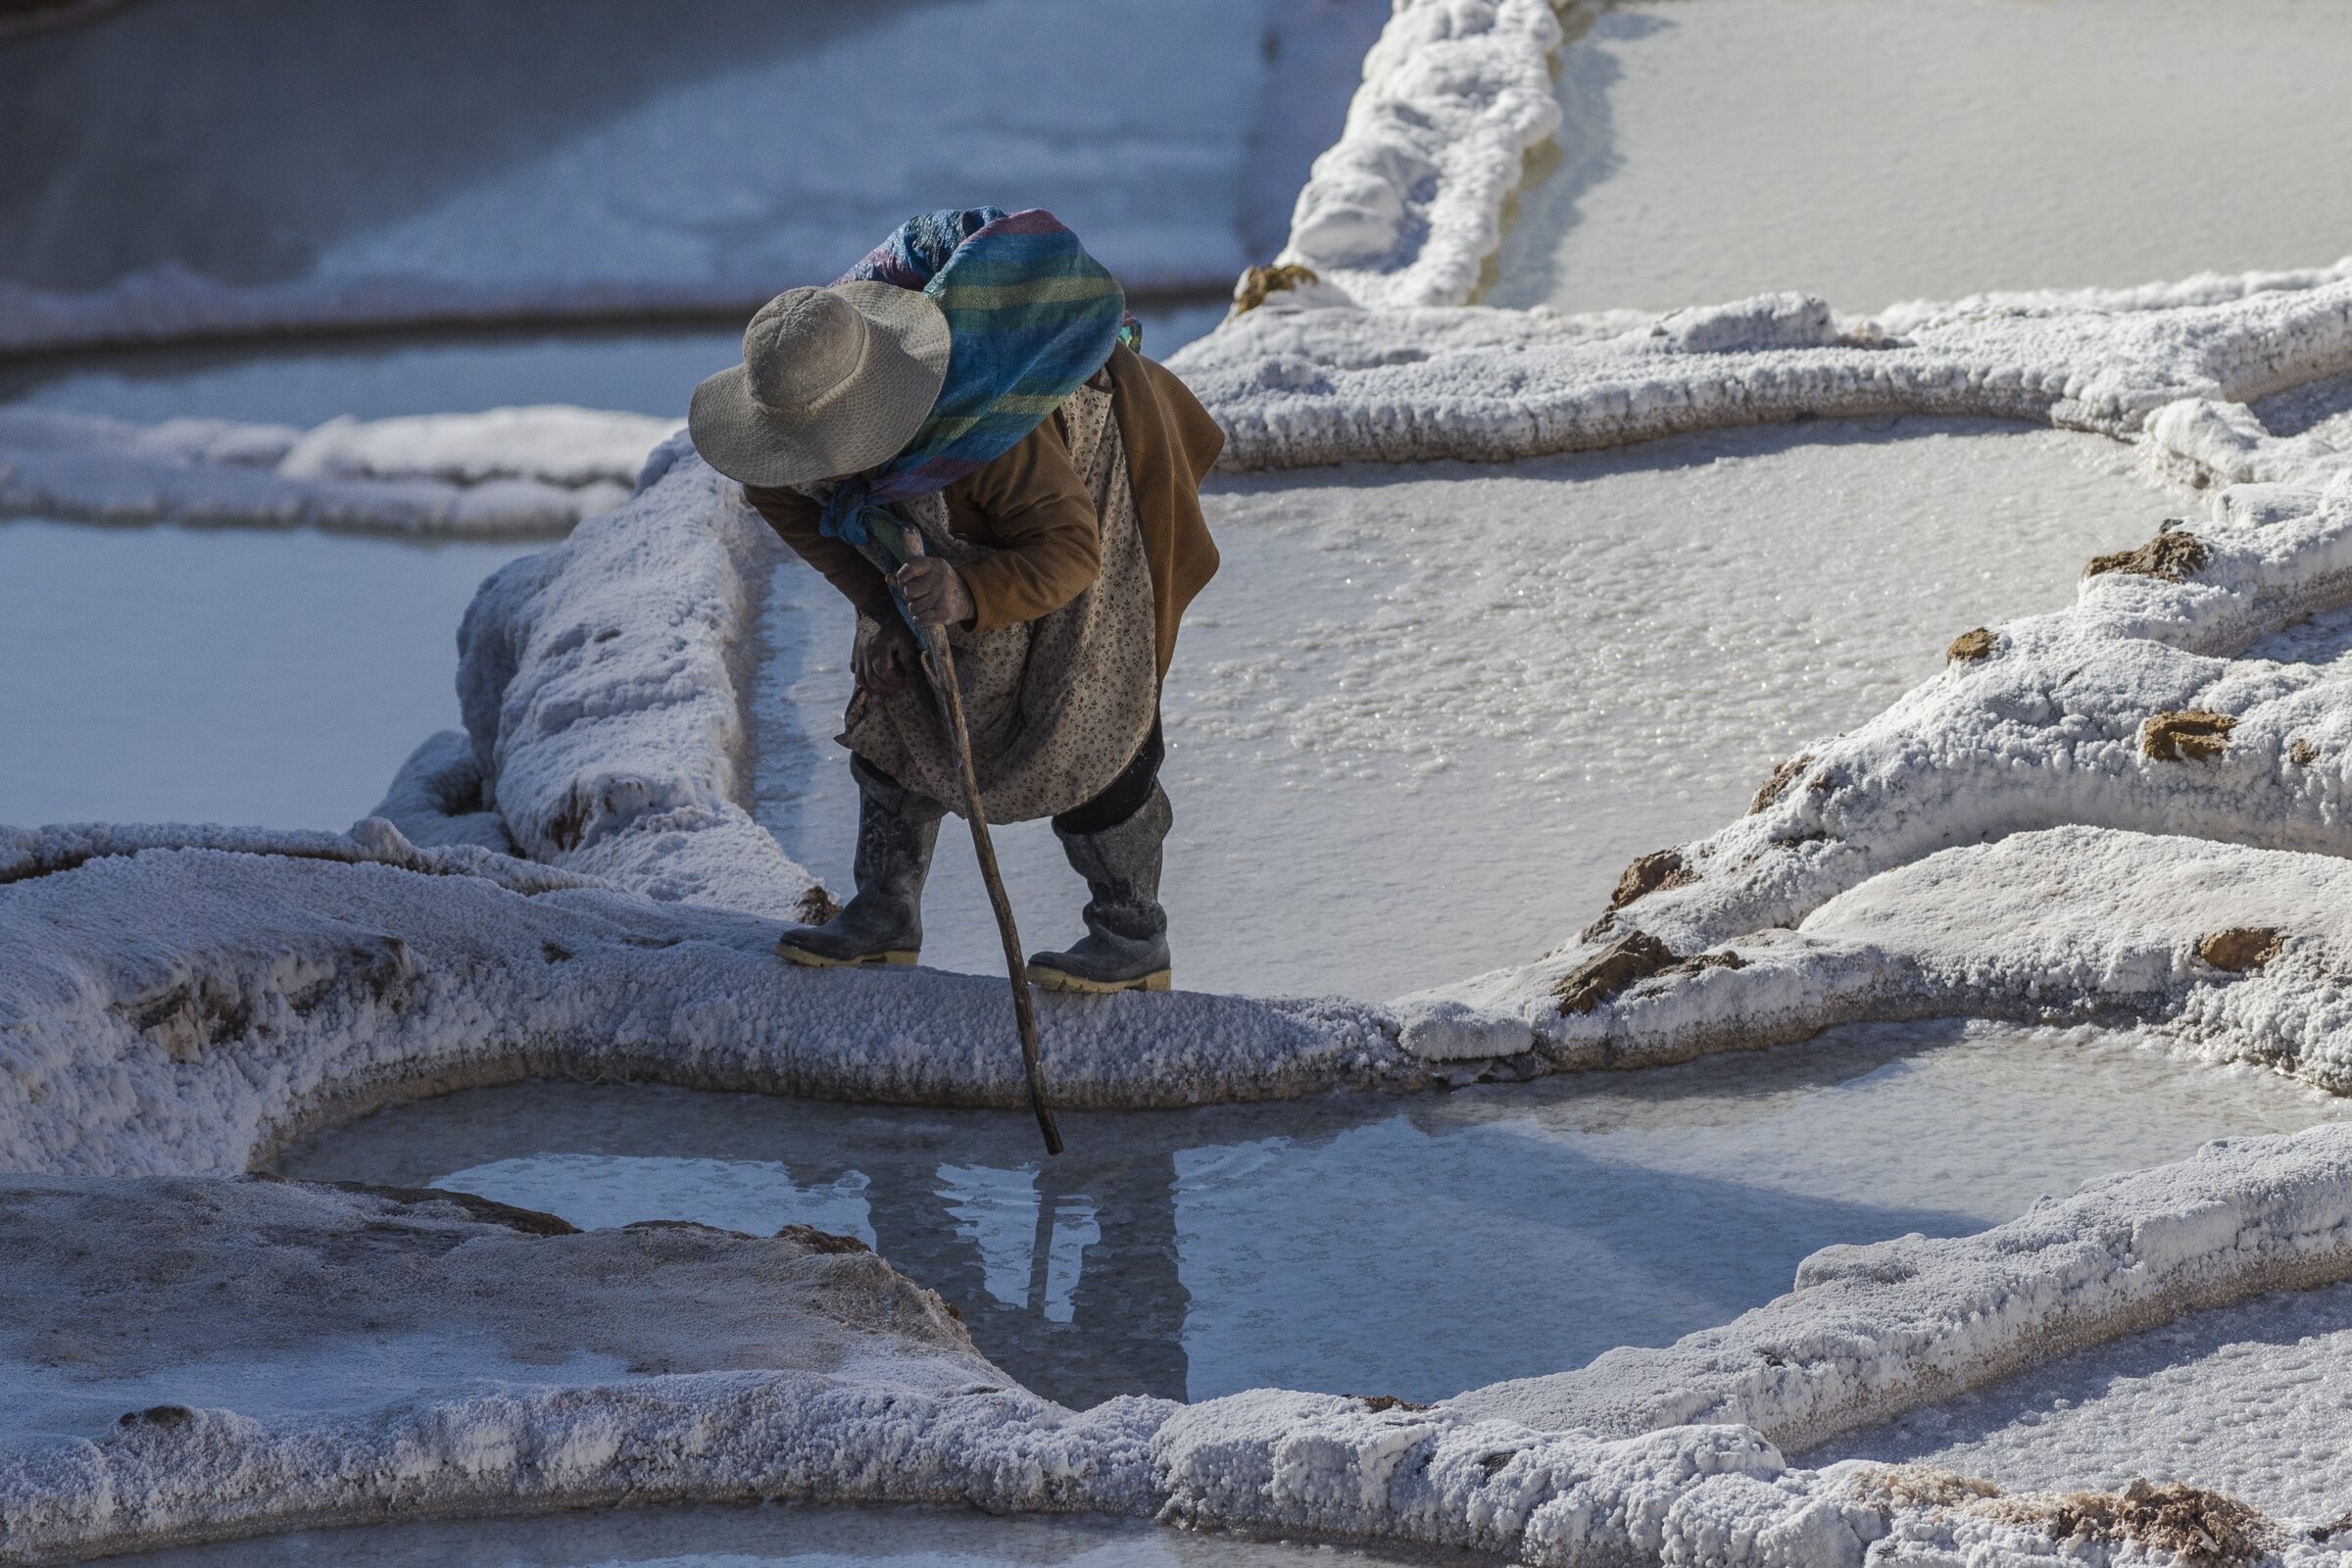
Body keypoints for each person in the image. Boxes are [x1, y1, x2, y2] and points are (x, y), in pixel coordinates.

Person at [686, 210, 1222, 994]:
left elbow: (1072, 553)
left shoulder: (991, 439)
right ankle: (885, 913)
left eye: (838, 448)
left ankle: (1132, 934)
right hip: (962, 526)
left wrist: (970, 589)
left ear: (879, 417)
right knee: (897, 711)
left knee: (1095, 717)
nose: (820, 468)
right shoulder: (786, 454)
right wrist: (882, 609)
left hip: (1098, 513)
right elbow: (795, 506)